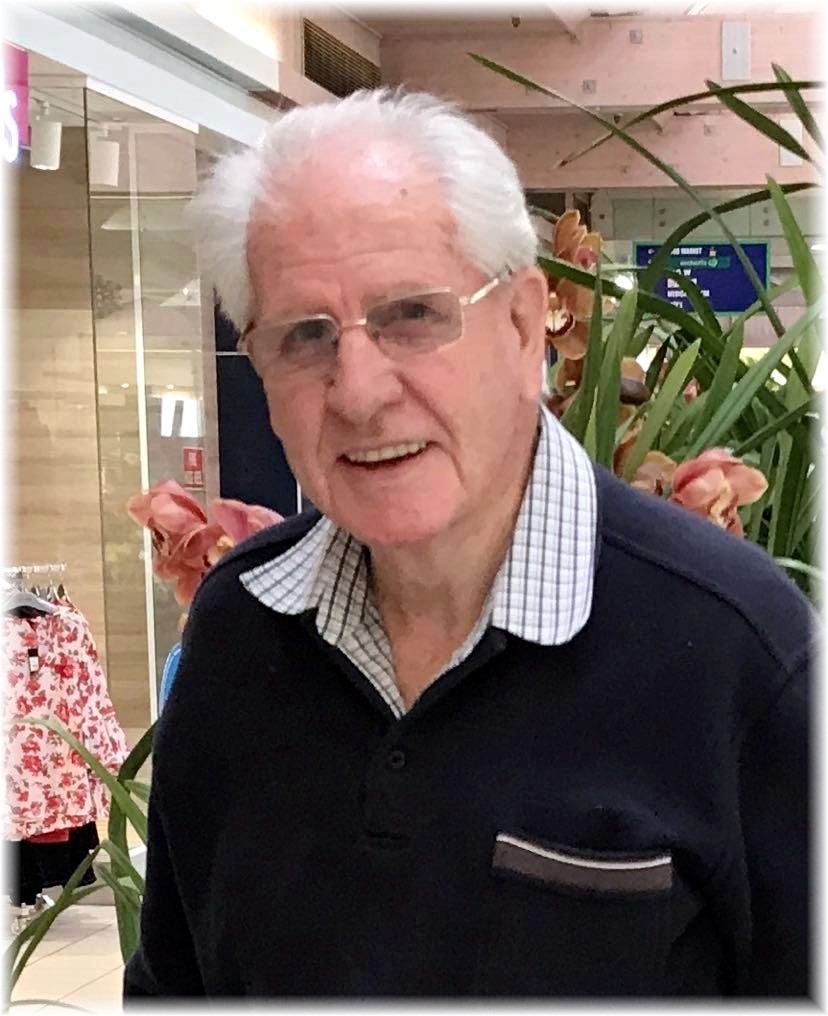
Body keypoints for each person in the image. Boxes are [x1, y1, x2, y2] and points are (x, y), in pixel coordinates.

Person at [124, 89, 813, 999]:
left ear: (526, 326)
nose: (359, 392)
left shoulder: (738, 654)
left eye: (413, 314)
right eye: (305, 336)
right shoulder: (237, 634)